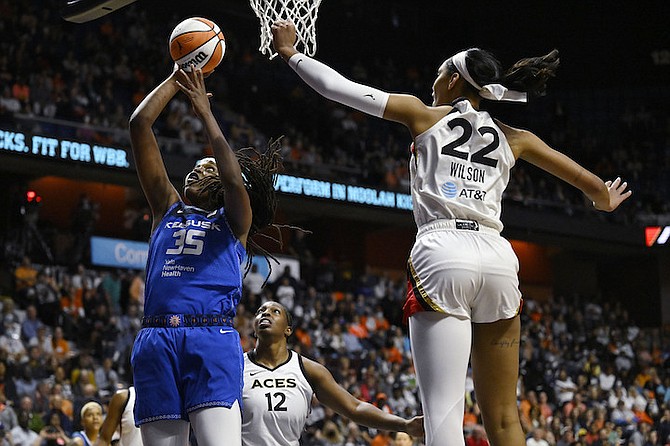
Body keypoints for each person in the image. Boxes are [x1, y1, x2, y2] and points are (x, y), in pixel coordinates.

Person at [271, 21, 632, 446]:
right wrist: (604, 199)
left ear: (455, 79)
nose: (434, 81)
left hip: (443, 251)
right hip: (498, 257)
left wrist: (291, 53)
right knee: (503, 417)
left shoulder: (422, 114)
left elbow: (338, 88)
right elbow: (595, 191)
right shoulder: (516, 138)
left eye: (440, 74)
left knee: (443, 414)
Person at [128, 62, 281, 446]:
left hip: (210, 336)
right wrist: (177, 78)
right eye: (194, 168)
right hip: (156, 337)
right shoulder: (166, 208)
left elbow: (233, 178)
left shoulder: (235, 221)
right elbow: (139, 125)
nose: (195, 171)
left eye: (206, 168)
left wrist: (206, 115)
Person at [242, 301, 423, 446]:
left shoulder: (308, 369)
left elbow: (355, 408)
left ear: (288, 329)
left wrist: (404, 425)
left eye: (275, 311)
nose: (265, 313)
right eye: (260, 311)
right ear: (254, 327)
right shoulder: (237, 366)